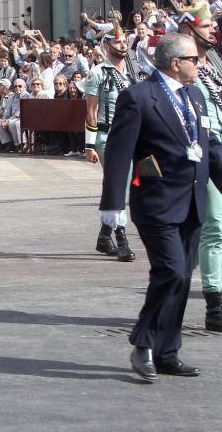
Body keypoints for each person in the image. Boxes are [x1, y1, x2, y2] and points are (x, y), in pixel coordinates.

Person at [101, 33, 222, 381]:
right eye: (194, 59)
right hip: (156, 203)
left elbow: (208, 149)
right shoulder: (138, 97)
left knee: (181, 280)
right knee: (172, 272)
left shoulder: (195, 95)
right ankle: (143, 341)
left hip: (192, 201)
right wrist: (111, 204)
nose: (199, 64)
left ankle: (168, 352)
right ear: (175, 63)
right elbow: (120, 152)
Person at [178, 4, 222, 331]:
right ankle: (215, 305)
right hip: (204, 152)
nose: (212, 30)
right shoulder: (181, 67)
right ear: (190, 30)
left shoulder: (215, 62)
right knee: (215, 226)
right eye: (206, 26)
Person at [85, 24, 138, 262]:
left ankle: (105, 235)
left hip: (134, 136)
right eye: (117, 42)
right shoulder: (97, 73)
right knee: (120, 185)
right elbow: (91, 111)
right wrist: (90, 145)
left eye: (125, 40)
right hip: (109, 137)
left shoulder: (134, 71)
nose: (122, 44)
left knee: (126, 185)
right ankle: (122, 238)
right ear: (107, 45)